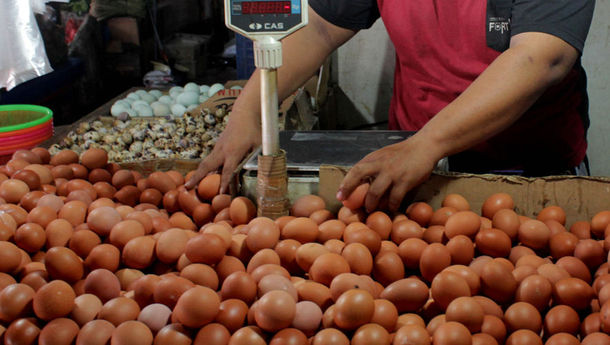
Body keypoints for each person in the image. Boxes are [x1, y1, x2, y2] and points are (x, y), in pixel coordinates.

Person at [186, 0, 595, 213]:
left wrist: (428, 143)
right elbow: (324, 26)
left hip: (529, 166)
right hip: (417, 164)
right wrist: (250, 108)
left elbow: (540, 58)